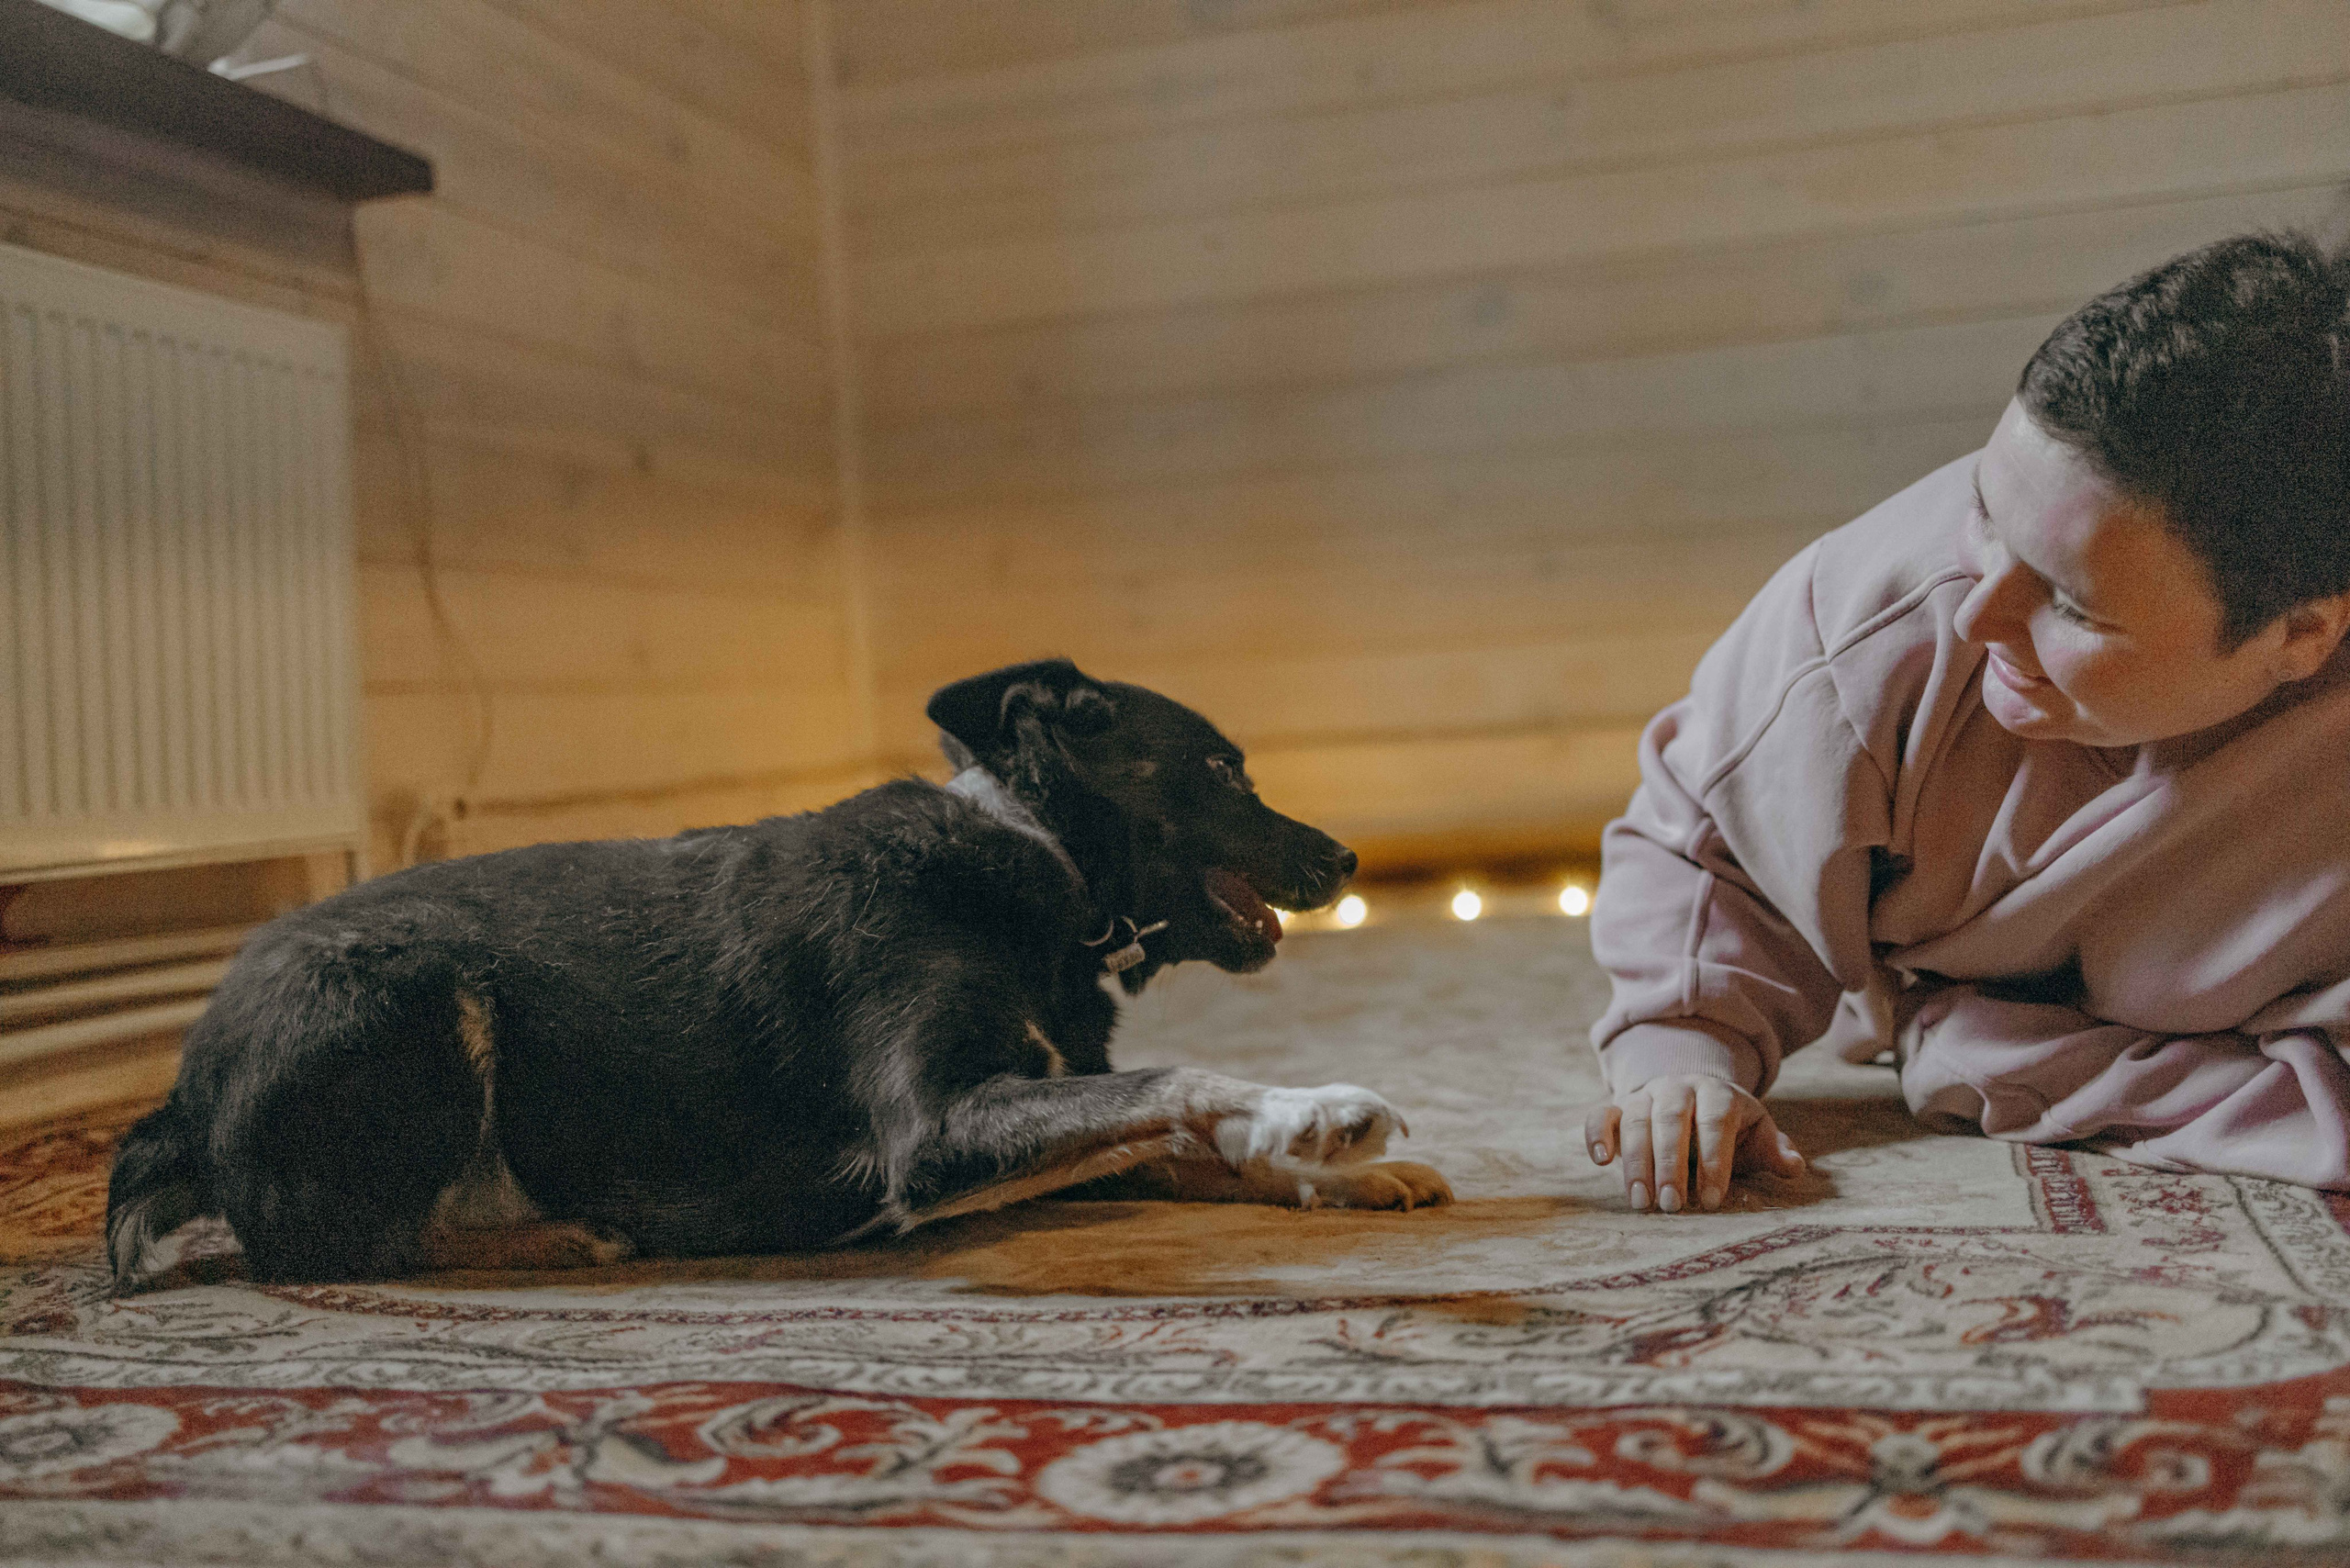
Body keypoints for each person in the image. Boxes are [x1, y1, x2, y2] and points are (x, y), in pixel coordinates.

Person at [1583, 230, 2350, 1214]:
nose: (1976, 615)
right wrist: (1682, 1057)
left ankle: (1981, 1046)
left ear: (2303, 633)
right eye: (1988, 515)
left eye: (2068, 605)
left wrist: (2002, 1057)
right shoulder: (1866, 622)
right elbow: (1710, 846)